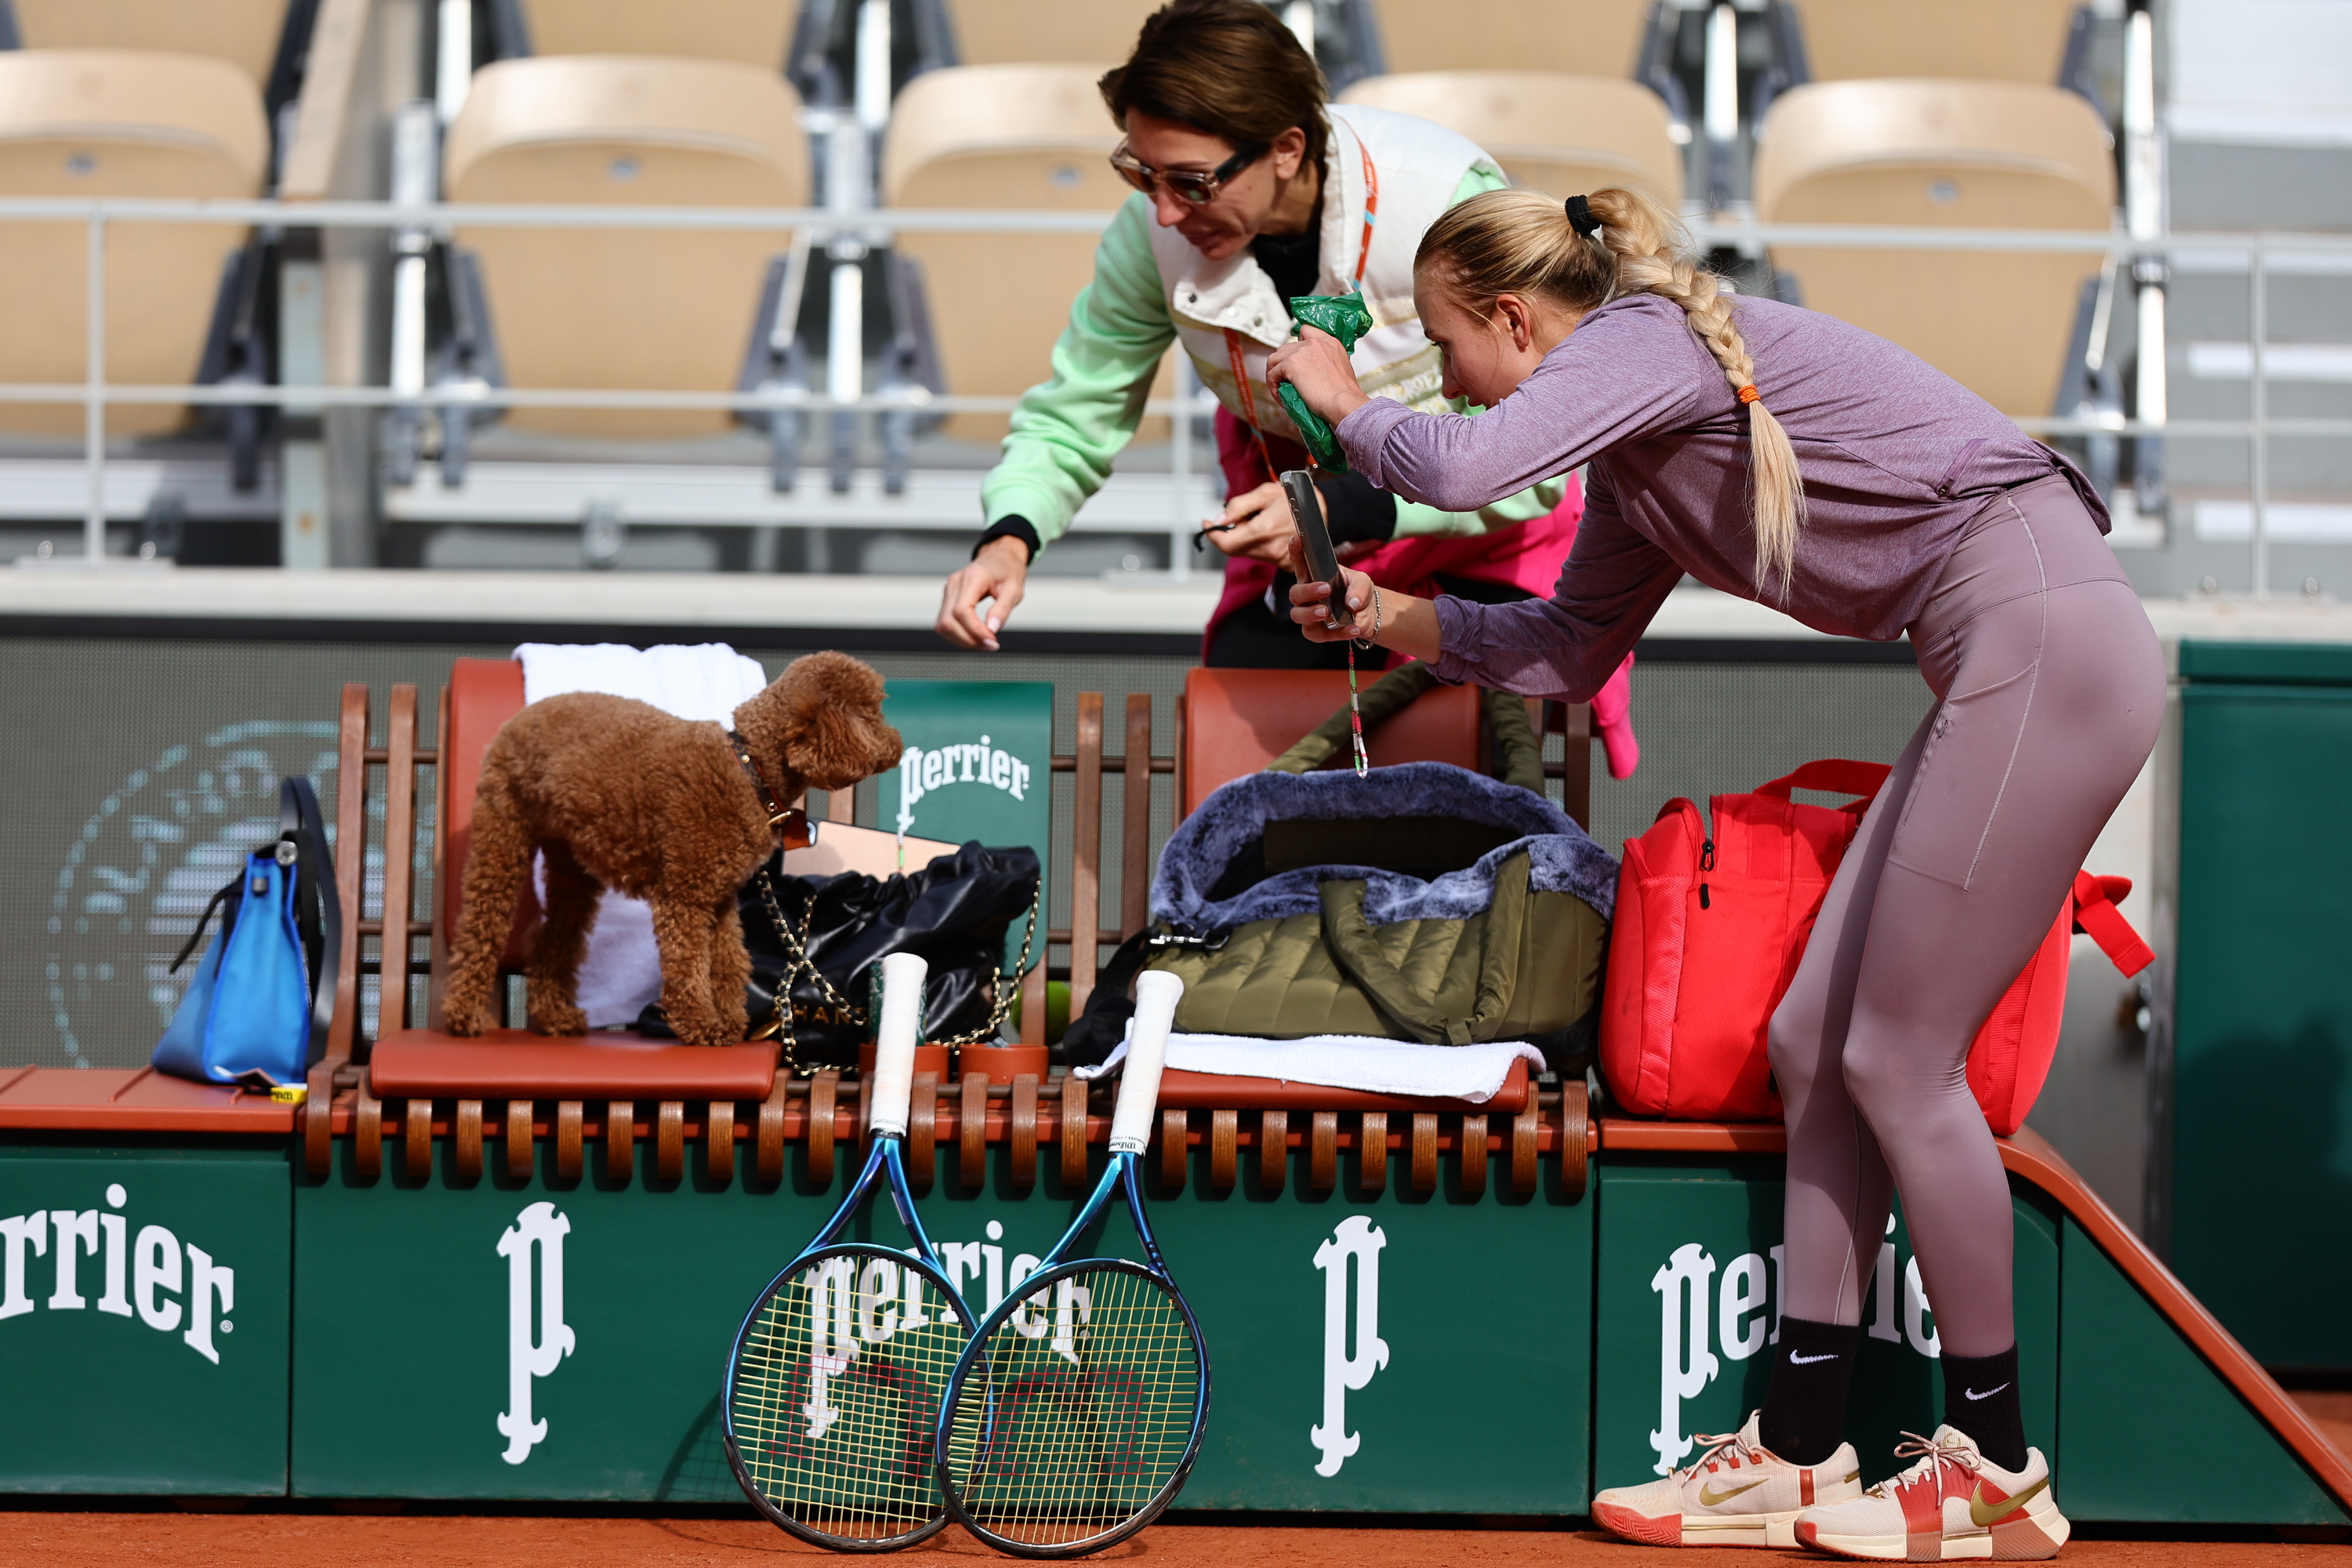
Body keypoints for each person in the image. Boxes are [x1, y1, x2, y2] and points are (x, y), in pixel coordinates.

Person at [1268, 185, 2161, 1560]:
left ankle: (1997, 1467)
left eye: (1449, 352)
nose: (1445, 382)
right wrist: (1391, 613)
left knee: (1903, 1061)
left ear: (1516, 320)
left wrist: (1343, 402)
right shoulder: (1643, 455)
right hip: (2009, 651)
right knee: (1818, 1041)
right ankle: (1797, 1452)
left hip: (2048, 637)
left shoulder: (1644, 338)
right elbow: (1570, 650)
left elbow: (1458, 467)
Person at [929, 0, 1635, 775]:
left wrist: (1346, 506)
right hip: (1314, 557)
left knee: (1460, 801)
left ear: (1288, 148)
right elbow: (1079, 406)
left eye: (1191, 182)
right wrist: (1010, 537)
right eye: (1141, 173)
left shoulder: (1444, 197)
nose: (1163, 210)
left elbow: (1544, 452)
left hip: (1488, 544)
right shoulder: (1152, 232)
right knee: (1241, 785)